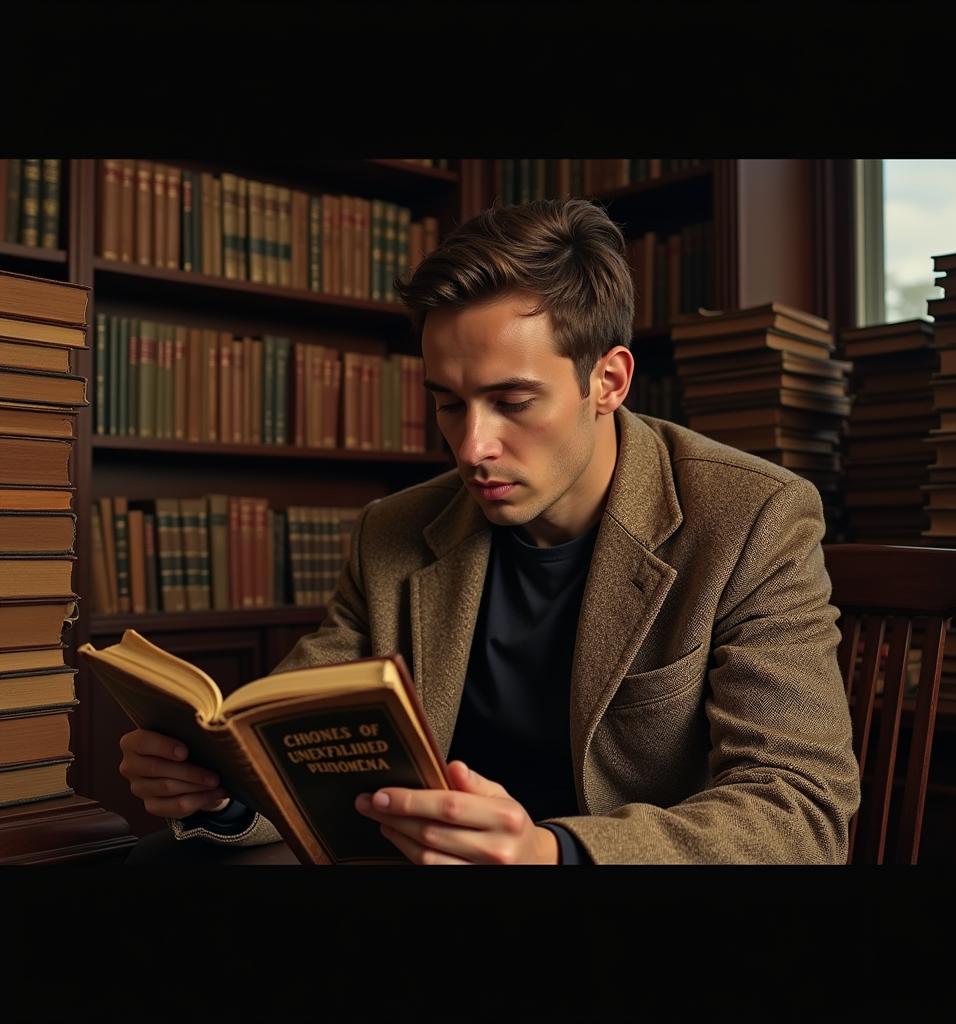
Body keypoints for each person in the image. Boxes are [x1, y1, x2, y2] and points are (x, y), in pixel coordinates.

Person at [120, 197, 861, 864]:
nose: (472, 448)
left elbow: (800, 811)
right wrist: (222, 793)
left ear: (608, 381)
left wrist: (554, 853)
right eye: (448, 404)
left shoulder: (751, 519)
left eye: (512, 401)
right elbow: (294, 741)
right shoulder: (395, 530)